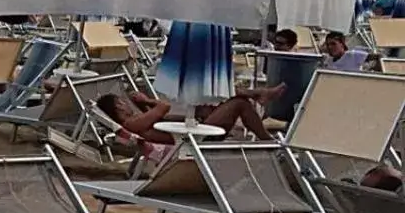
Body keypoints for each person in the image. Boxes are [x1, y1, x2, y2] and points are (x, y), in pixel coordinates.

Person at [95, 83, 284, 145]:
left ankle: (258, 95)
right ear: (118, 108)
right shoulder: (132, 125)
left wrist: (145, 104)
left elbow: (159, 116)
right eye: (122, 102)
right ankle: (266, 140)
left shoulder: (137, 121)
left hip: (196, 132)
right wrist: (146, 101)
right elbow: (163, 107)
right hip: (199, 140)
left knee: (210, 93)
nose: (126, 104)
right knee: (239, 104)